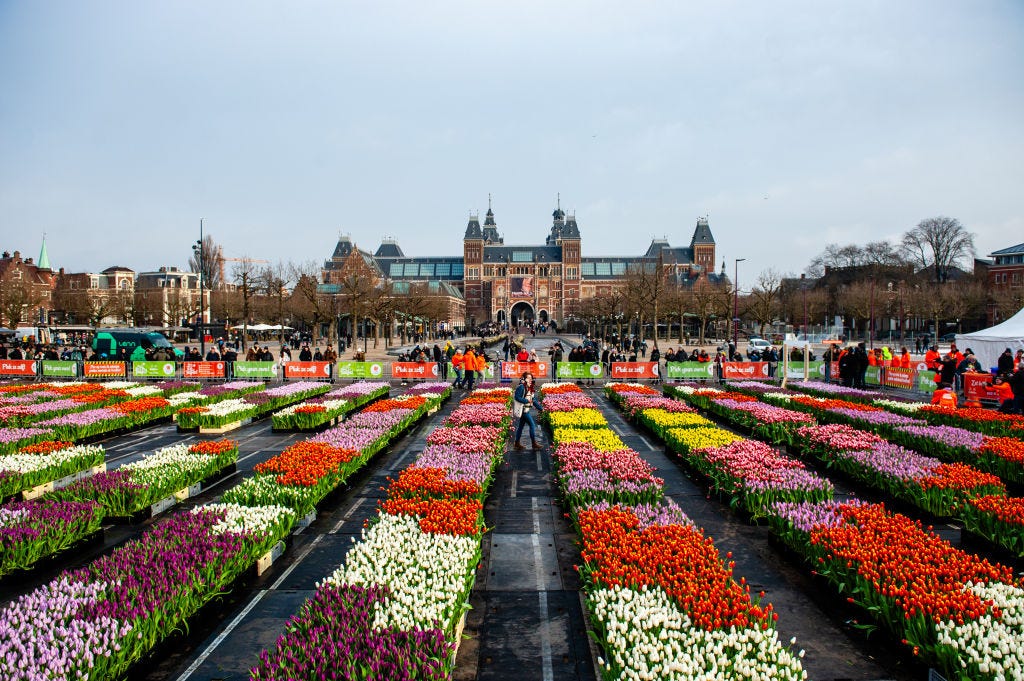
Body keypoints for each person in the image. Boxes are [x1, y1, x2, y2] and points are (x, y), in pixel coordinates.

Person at [512, 371, 544, 450]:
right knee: (532, 425)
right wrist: (526, 401)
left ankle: (517, 443)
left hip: (526, 409)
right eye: (528, 378)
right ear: (524, 379)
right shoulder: (521, 387)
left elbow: (533, 400)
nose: (530, 379)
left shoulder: (529, 387)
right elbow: (517, 397)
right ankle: (533, 443)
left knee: (520, 427)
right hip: (523, 410)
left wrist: (541, 409)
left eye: (531, 378)